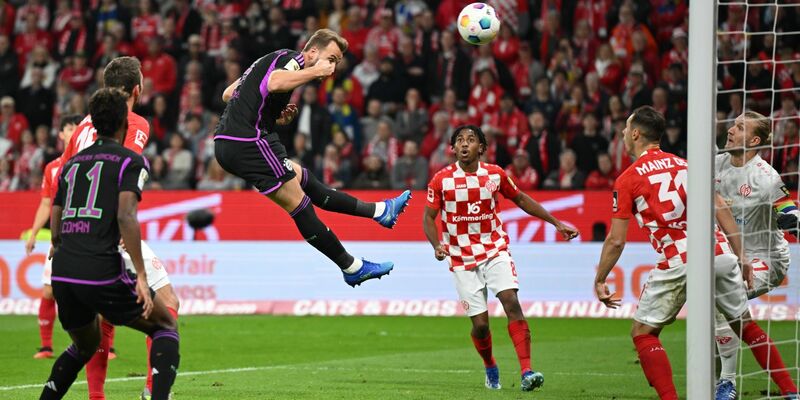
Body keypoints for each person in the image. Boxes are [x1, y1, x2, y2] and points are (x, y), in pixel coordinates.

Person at [593, 106, 797, 400]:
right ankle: (790, 390)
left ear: (635, 134)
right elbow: (720, 207)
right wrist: (739, 256)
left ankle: (712, 385)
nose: (623, 133)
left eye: (626, 128)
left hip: (689, 258)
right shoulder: (689, 165)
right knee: (744, 324)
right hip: (721, 252)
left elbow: (615, 240)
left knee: (643, 332)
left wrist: (600, 278)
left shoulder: (628, 178)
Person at [215, 28, 411, 287]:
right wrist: (314, 71)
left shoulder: (271, 60)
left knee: (305, 179)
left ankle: (380, 211)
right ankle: (351, 267)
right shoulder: (294, 59)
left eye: (336, 62)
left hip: (230, 141)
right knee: (301, 206)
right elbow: (274, 82)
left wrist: (273, 114)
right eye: (331, 59)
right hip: (247, 141)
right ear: (313, 51)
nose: (332, 67)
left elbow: (229, 93)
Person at [40, 88, 179, 400]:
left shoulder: (71, 165)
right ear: (124, 124)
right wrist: (140, 275)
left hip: (63, 269)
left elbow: (56, 216)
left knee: (84, 345)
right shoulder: (130, 161)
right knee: (165, 325)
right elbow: (126, 215)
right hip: (100, 267)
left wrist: (59, 249)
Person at [423, 125, 578, 392]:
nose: (464, 144)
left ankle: (527, 371)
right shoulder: (441, 180)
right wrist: (437, 245)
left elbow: (521, 199)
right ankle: (490, 364)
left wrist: (555, 222)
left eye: (471, 140)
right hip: (460, 257)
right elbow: (428, 217)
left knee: (511, 302)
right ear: (453, 148)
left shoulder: (495, 174)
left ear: (481, 148)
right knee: (481, 326)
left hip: (494, 248)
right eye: (459, 140)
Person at [713, 111, 800, 400]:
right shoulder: (716, 165)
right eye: (733, 124)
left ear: (753, 141)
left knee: (721, 296)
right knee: (717, 307)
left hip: (767, 258)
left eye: (739, 127)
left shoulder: (766, 177)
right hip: (732, 257)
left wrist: (793, 222)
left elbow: (789, 210)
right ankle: (788, 390)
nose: (730, 130)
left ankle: (727, 383)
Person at [25, 114, 82, 359]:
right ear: (60, 134)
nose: (73, 132)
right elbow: (46, 203)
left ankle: (105, 346)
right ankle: (46, 346)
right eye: (69, 128)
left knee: (94, 290)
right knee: (49, 291)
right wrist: (33, 233)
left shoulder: (94, 161)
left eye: (77, 128)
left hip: (89, 233)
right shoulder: (53, 168)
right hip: (61, 235)